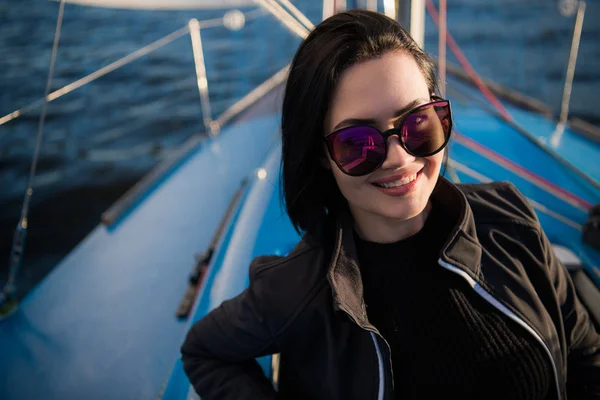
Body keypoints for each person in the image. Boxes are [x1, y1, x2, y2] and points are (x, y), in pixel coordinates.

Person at [180, 9, 600, 400]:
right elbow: (204, 351)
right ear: (323, 158)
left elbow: (583, 348)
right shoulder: (296, 291)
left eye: (418, 122)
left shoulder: (510, 216)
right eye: (357, 143)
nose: (400, 158)